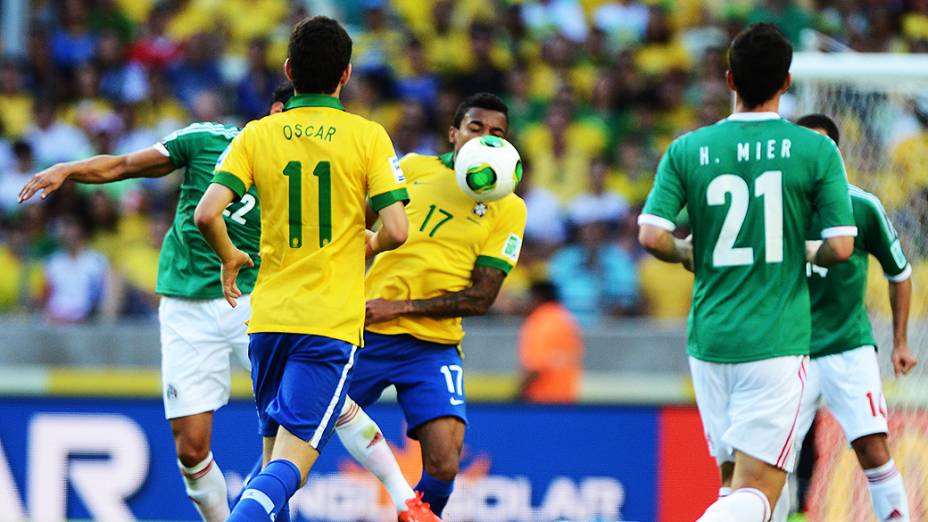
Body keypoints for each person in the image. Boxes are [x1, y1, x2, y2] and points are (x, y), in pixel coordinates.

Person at [20, 81, 434, 522]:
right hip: (186, 306)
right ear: (276, 110)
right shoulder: (209, 141)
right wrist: (68, 168)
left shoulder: (314, 166)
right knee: (192, 451)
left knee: (326, 407)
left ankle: (405, 498)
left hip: (259, 300)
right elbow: (124, 165)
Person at [194, 17, 410, 522]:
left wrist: (229, 255)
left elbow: (206, 213)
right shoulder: (368, 136)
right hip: (326, 324)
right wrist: (371, 240)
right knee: (294, 464)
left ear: (289, 71)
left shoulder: (257, 134)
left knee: (272, 458)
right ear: (347, 74)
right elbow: (398, 230)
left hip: (267, 320)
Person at [637, 24, 856, 522]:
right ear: (786, 83)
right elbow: (842, 247)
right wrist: (800, 249)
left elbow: (651, 235)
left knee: (734, 486)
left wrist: (685, 253)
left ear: (730, 79)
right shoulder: (815, 149)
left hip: (710, 339)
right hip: (775, 340)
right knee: (759, 492)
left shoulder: (688, 149)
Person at [353, 92, 527, 517]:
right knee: (302, 433)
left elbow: (481, 297)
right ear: (453, 133)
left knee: (445, 464)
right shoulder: (412, 169)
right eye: (476, 128)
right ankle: (259, 505)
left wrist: (400, 308)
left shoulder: (508, 207)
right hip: (364, 330)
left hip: (432, 346)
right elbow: (355, 225)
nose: (486, 139)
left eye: (497, 133)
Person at [792, 113, 916, 521]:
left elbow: (899, 274)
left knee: (872, 448)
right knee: (773, 457)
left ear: (835, 153)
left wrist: (899, 341)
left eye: (822, 146)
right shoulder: (776, 208)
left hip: (848, 347)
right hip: (788, 350)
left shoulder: (861, 206)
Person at [518, 280, 584, 403]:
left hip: (542, 399)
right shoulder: (566, 319)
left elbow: (536, 366)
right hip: (567, 396)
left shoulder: (541, 321)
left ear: (537, 298)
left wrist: (517, 395)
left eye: (528, 298)